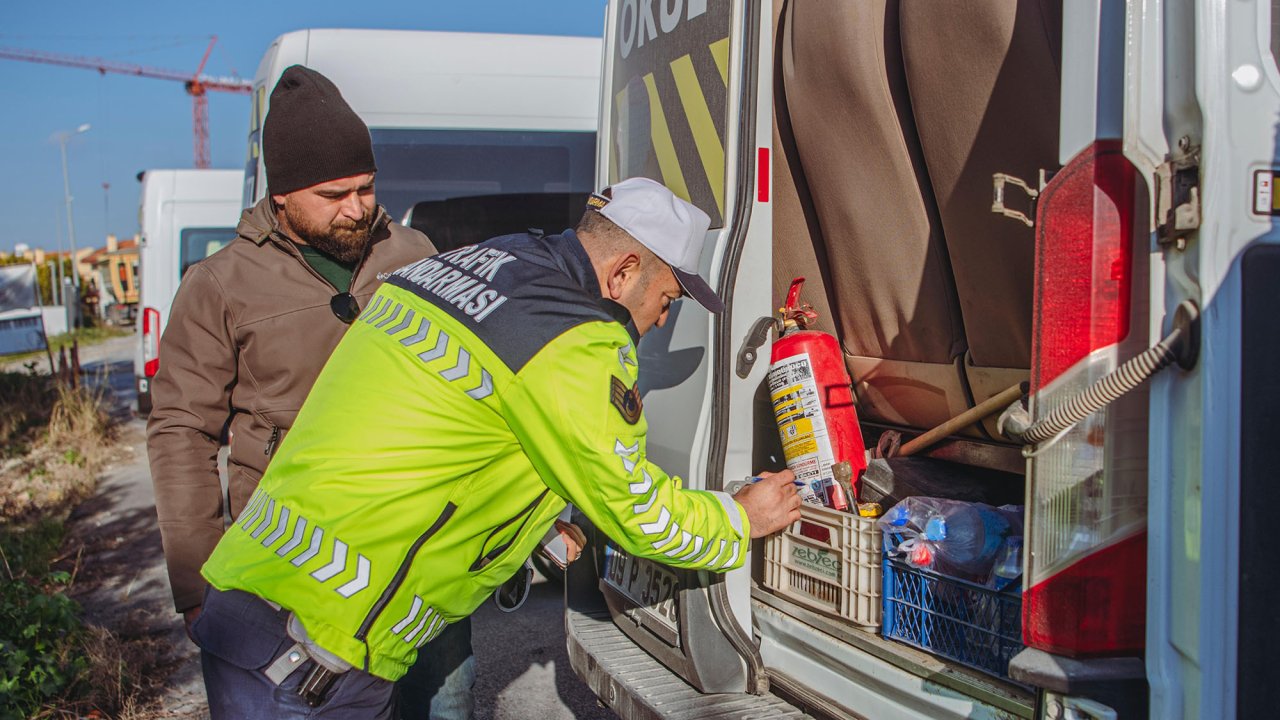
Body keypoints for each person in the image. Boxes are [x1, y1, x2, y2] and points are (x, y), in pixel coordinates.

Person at [190, 176, 804, 717]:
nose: (663, 318)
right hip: (316, 653)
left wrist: (527, 529)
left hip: (256, 591)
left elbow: (432, 426)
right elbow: (639, 513)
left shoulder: (467, 267)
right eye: (667, 298)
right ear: (622, 273)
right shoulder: (573, 337)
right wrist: (739, 517)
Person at [145, 65, 471, 717]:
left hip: (419, 561)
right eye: (334, 194)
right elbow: (182, 433)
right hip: (295, 571)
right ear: (283, 194)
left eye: (366, 188)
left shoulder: (414, 253)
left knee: (442, 708)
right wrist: (198, 582)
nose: (357, 208)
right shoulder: (219, 284)